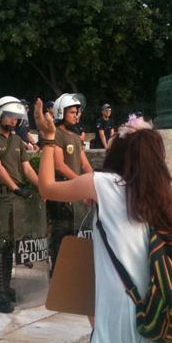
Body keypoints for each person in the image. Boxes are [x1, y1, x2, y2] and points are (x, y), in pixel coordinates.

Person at [35, 100, 172, 343]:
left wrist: (48, 140)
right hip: (153, 304)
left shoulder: (102, 184)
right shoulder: (156, 194)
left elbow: (47, 187)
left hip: (121, 311)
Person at [0, 96, 39, 313]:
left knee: (11, 243)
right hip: (0, 196)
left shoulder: (17, 141)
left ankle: (5, 286)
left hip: (16, 196)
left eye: (17, 117)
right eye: (10, 116)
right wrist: (14, 188)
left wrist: (44, 188)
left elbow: (27, 169)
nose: (14, 120)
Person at [48, 93, 94, 272]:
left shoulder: (75, 137)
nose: (76, 116)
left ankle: (70, 277)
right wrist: (81, 182)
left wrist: (96, 182)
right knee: (61, 235)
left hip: (75, 192)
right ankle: (57, 275)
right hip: (61, 191)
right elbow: (59, 165)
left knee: (75, 233)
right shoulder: (56, 134)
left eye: (77, 112)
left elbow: (85, 165)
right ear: (61, 112)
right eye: (72, 112)